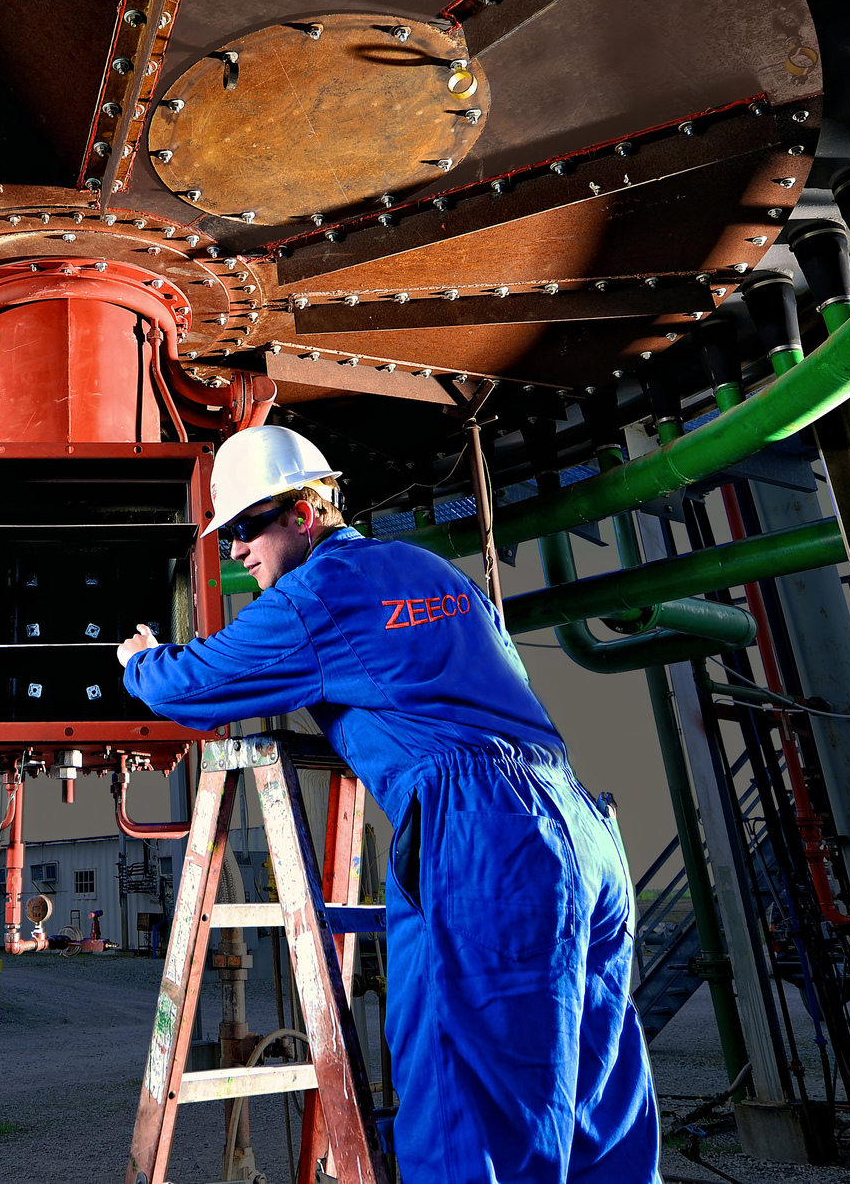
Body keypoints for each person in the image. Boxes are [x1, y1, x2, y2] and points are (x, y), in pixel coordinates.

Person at [118, 425, 657, 1183]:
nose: (235, 551)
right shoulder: (431, 569)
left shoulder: (317, 594)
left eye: (243, 528)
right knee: (596, 1108)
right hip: (576, 826)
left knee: (467, 1114)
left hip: (482, 839)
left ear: (303, 514)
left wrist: (140, 661)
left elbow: (195, 688)